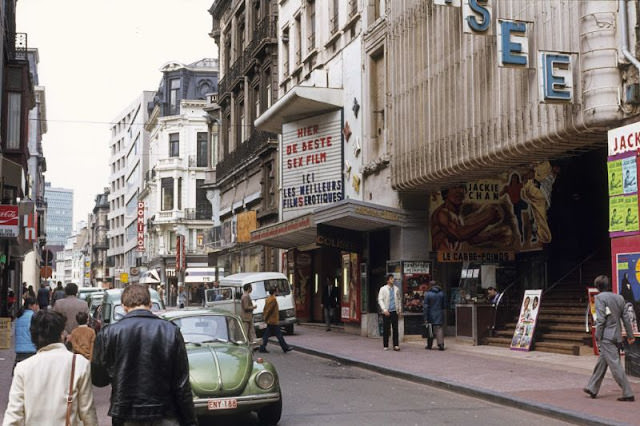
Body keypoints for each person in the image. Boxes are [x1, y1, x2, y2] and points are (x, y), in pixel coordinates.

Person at [92, 283, 197, 425]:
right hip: (165, 412)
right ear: (151, 304)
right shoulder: (171, 331)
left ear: (124, 306)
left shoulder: (108, 333)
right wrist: (190, 421)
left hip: (126, 413)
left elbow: (99, 379)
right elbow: (182, 384)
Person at [3, 310, 98, 426]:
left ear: (33, 336)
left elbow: (14, 415)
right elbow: (87, 412)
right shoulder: (79, 364)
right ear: (61, 334)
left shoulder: (23, 368)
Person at [584, 275, 636, 402]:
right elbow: (626, 319)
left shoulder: (599, 298)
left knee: (615, 365)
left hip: (606, 336)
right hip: (617, 336)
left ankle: (628, 392)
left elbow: (601, 320)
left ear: (598, 287)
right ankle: (592, 387)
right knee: (603, 361)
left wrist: (597, 335)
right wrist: (630, 335)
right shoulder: (619, 298)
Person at [259, 287, 293, 354]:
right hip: (273, 320)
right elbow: (269, 310)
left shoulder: (268, 299)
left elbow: (265, 309)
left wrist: (265, 317)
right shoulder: (273, 299)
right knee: (278, 335)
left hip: (270, 320)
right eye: (276, 291)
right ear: (274, 292)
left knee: (267, 335)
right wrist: (266, 318)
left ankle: (262, 347)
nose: (277, 292)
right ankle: (285, 347)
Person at [12, 297, 37, 374]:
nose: (37, 307)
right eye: (35, 305)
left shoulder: (19, 317)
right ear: (30, 306)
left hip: (19, 351)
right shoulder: (34, 317)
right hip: (31, 350)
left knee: (19, 376)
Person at [378, 274, 402, 351]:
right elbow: (380, 299)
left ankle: (396, 345)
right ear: (387, 280)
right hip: (387, 311)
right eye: (391, 279)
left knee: (395, 329)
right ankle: (386, 345)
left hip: (394, 311)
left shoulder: (396, 289)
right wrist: (384, 309)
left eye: (393, 278)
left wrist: (399, 309)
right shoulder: (383, 289)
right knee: (386, 329)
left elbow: (399, 299)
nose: (393, 280)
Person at [423, 281, 446, 350]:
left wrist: (425, 317)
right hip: (439, 313)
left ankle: (429, 345)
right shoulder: (441, 294)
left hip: (430, 314)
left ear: (430, 285)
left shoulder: (428, 294)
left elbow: (426, 307)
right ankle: (441, 344)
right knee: (439, 328)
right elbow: (444, 305)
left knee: (430, 329)